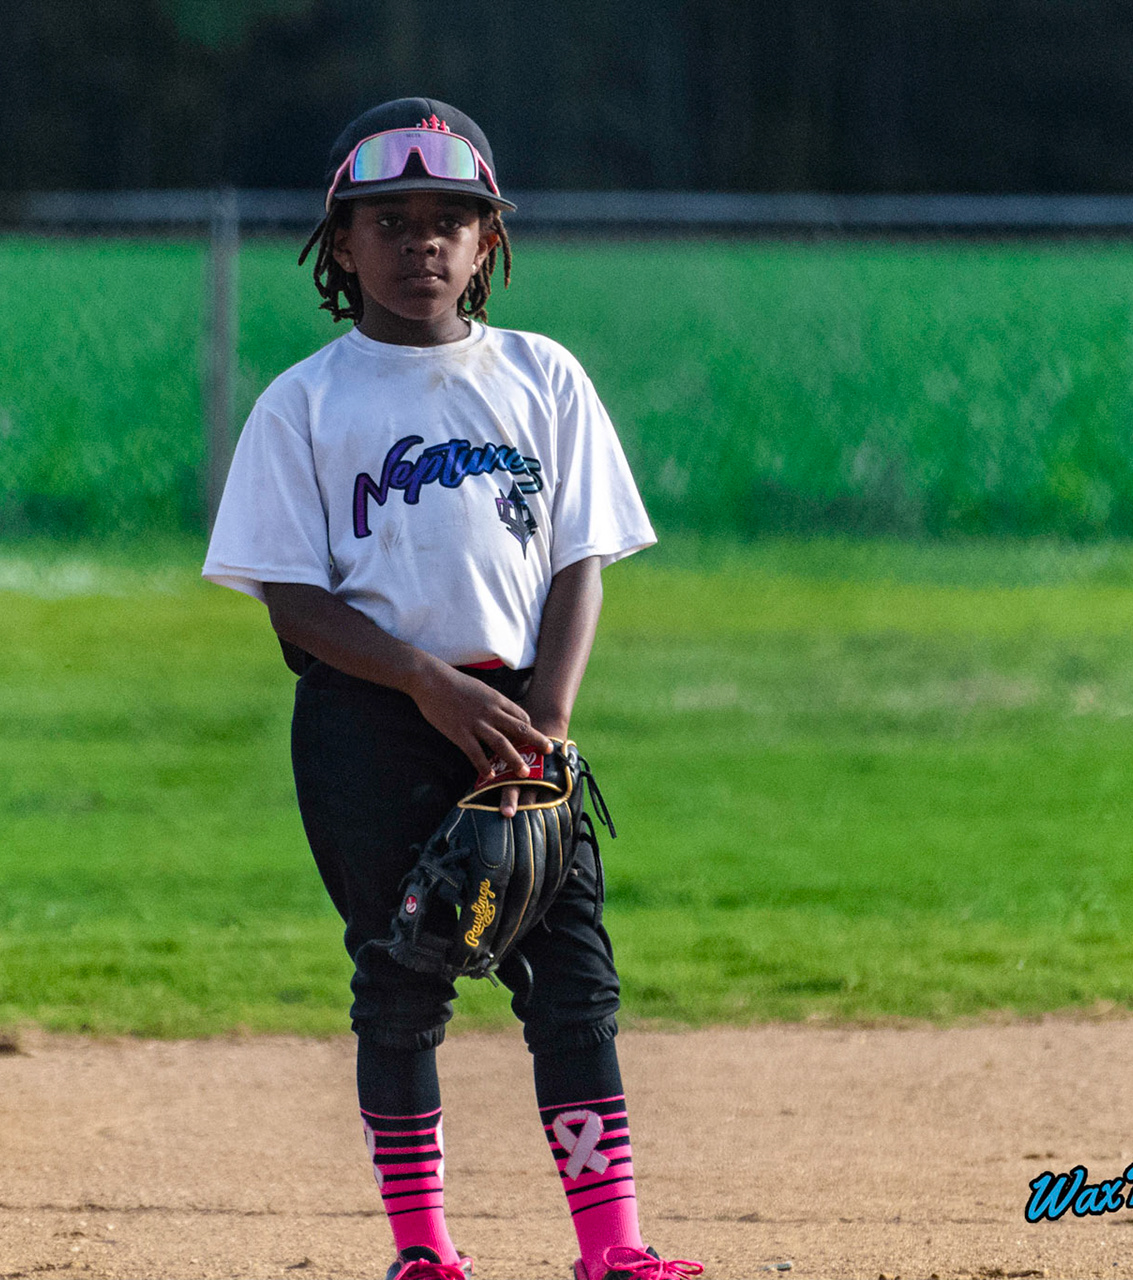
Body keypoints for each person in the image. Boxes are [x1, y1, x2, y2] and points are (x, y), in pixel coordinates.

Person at [202, 97, 700, 1280]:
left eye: (450, 220)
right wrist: (427, 686)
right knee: (400, 970)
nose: (421, 241)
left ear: (490, 245)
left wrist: (552, 723)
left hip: (523, 720)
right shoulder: (307, 403)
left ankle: (612, 1246)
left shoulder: (543, 376)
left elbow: (581, 558)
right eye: (391, 220)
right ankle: (424, 1250)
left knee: (575, 977)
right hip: (371, 719)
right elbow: (293, 601)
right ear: (342, 246)